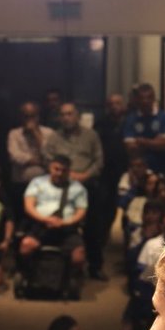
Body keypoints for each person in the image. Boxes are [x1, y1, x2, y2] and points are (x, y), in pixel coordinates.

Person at [48, 102, 106, 279]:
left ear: (78, 116)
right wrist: (64, 174)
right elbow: (47, 159)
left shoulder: (91, 135)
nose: (66, 118)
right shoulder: (54, 137)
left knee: (94, 224)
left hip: (86, 183)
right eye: (63, 114)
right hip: (60, 185)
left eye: (70, 114)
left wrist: (85, 175)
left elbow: (99, 161)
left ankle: (95, 266)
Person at [20, 155, 89, 273]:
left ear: (69, 171)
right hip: (41, 226)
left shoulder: (78, 188)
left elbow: (81, 211)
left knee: (79, 256)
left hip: (67, 229)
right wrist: (45, 219)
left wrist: (66, 222)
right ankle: (27, 274)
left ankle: (72, 278)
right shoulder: (37, 183)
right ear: (50, 168)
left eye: (64, 170)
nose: (59, 173)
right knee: (26, 246)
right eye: (56, 169)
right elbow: (29, 206)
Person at [123, 83, 165, 176]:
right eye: (142, 98)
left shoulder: (163, 117)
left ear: (153, 98)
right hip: (138, 171)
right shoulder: (130, 119)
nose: (145, 101)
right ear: (137, 99)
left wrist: (142, 142)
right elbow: (130, 148)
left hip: (161, 168)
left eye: (148, 97)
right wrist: (155, 142)